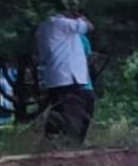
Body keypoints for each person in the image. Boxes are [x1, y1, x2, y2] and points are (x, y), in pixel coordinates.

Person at [36, 9, 95, 143]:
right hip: (68, 76)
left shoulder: (43, 27)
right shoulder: (62, 24)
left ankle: (51, 140)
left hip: (54, 77)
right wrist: (80, 17)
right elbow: (88, 26)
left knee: (58, 110)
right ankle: (70, 143)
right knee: (73, 112)